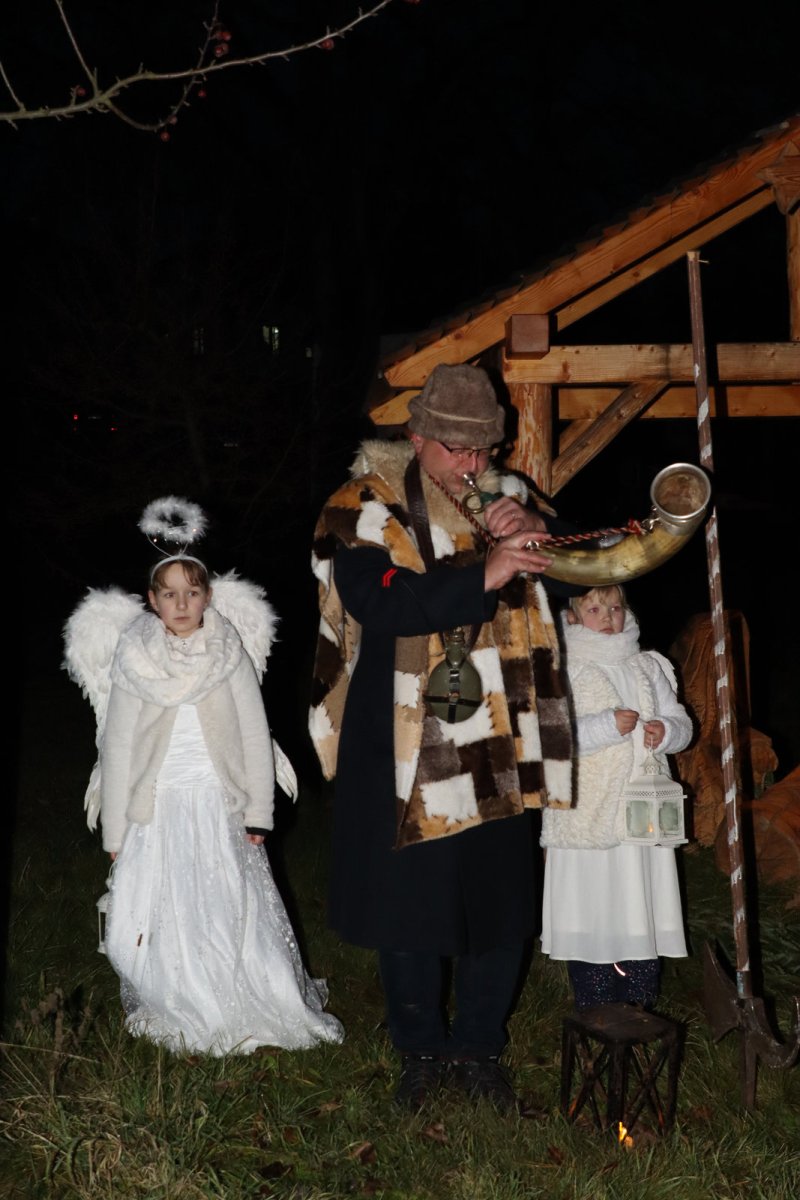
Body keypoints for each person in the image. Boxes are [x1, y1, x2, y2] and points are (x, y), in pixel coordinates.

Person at [310, 363, 573, 1109]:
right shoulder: (361, 503)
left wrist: (542, 536)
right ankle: (420, 1050)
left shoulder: (509, 496)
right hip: (397, 735)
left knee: (499, 897)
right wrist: (485, 572)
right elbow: (379, 601)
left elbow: (583, 578)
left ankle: (480, 1049)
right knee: (410, 902)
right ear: (417, 435)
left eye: (484, 449)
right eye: (457, 449)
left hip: (499, 723)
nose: (472, 465)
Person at [66, 514, 343, 1056]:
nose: (182, 604)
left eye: (192, 592)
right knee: (158, 907)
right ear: (152, 600)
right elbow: (117, 747)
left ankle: (234, 993)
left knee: (225, 905)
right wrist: (115, 831)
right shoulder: (134, 656)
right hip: (156, 807)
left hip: (217, 802)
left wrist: (259, 812)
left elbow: (254, 735)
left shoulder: (227, 650)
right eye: (169, 594)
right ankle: (175, 994)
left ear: (207, 596)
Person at [540, 584, 692, 1010]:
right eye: (594, 609)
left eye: (615, 607)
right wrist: (606, 726)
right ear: (572, 616)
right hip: (587, 815)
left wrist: (667, 732)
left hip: (641, 813)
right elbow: (551, 737)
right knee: (594, 901)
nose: (608, 617)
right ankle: (595, 1001)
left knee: (637, 897)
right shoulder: (563, 668)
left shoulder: (647, 665)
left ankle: (638, 1001)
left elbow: (681, 723)